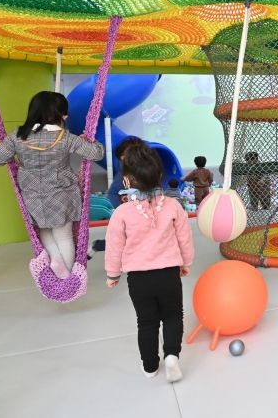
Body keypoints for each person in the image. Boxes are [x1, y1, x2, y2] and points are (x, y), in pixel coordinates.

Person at [0, 91, 104, 279]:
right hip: (62, 195)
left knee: (44, 229)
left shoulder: (18, 136)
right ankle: (66, 280)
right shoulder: (65, 137)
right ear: (60, 115)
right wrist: (89, 140)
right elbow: (96, 154)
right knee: (64, 236)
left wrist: (14, 159)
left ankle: (55, 258)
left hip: (33, 196)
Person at [104, 141, 194, 382]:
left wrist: (113, 274)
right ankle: (172, 356)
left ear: (126, 181)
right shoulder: (173, 206)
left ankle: (150, 365)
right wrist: (185, 262)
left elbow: (114, 246)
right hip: (168, 274)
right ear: (160, 176)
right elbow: (184, 238)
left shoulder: (121, 213)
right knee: (173, 315)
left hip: (139, 279)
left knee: (146, 322)